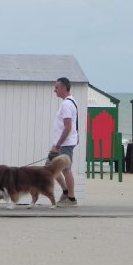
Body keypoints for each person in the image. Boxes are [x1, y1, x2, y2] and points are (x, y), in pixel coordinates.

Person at [48, 77, 79, 206]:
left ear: (64, 88)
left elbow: (68, 127)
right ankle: (66, 191)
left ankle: (71, 199)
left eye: (57, 87)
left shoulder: (67, 104)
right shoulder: (70, 101)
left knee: (66, 169)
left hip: (65, 144)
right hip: (61, 143)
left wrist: (58, 145)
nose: (55, 90)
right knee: (50, 167)